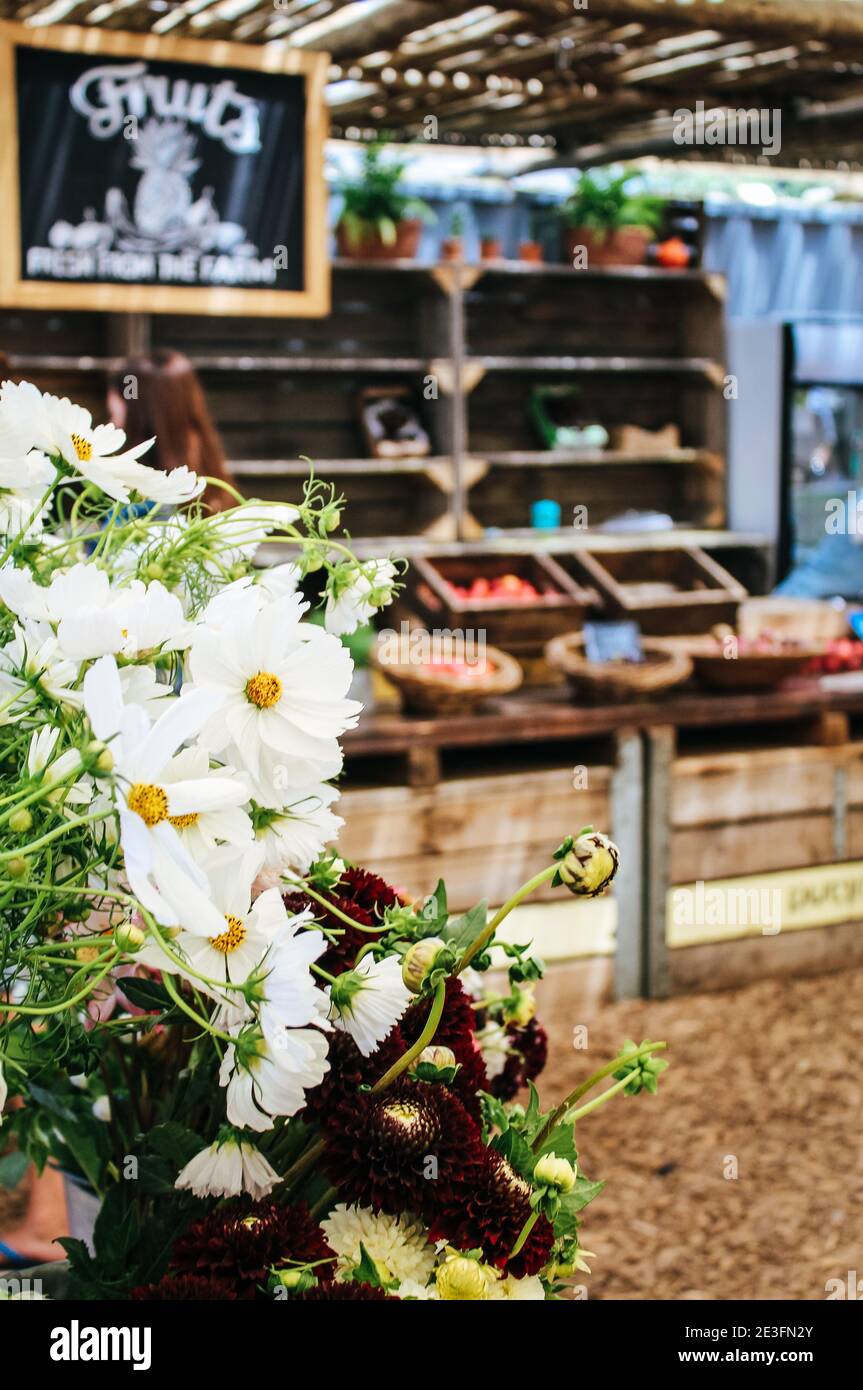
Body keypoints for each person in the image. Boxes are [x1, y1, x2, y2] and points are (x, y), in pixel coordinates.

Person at [107, 349, 238, 512]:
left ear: (137, 415)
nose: (112, 421)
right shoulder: (209, 480)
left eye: (114, 413)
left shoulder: (144, 502)